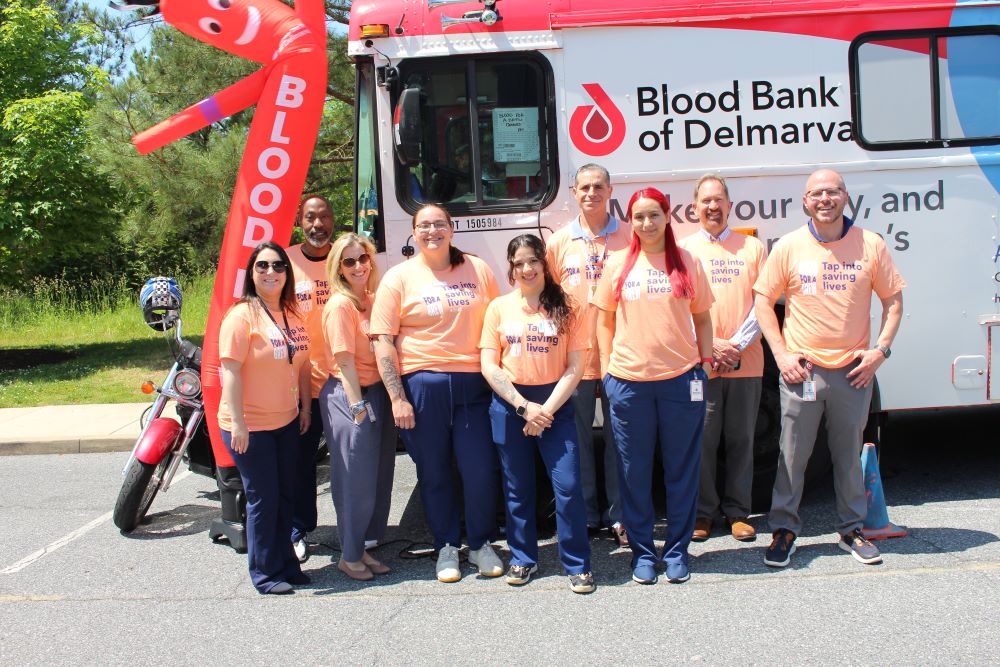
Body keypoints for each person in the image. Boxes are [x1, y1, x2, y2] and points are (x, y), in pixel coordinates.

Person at [754, 168, 906, 568]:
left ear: (845, 197)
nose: (825, 199)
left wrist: (880, 352)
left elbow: (893, 303)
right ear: (805, 201)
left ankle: (851, 530)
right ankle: (784, 530)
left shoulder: (870, 245)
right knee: (791, 455)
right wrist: (783, 356)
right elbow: (762, 304)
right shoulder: (788, 246)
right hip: (803, 371)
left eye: (833, 192)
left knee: (846, 453)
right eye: (816, 193)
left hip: (854, 371)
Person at [370, 203, 504, 583]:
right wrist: (397, 397)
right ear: (414, 232)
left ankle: (480, 544)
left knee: (479, 469)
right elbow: (382, 341)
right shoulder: (398, 278)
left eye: (439, 224)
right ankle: (446, 546)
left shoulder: (477, 268)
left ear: (451, 229)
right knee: (435, 472)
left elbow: (497, 323)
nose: (432, 231)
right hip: (422, 387)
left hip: (474, 386)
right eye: (424, 225)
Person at [593, 187, 715, 585]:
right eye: (639, 217)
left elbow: (703, 320)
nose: (647, 224)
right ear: (632, 221)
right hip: (629, 384)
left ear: (667, 217)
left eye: (654, 215)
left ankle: (677, 551)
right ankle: (643, 553)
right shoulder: (616, 264)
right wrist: (609, 373)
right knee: (633, 472)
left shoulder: (688, 262)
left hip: (681, 381)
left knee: (681, 470)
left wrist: (705, 363)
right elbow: (604, 322)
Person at [480, 234, 595, 594]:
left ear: (545, 264)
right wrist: (522, 406)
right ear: (511, 269)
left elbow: (576, 366)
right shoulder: (498, 307)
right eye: (519, 263)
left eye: (533, 261)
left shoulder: (569, 306)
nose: (527, 269)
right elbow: (488, 364)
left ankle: (577, 564)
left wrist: (544, 410)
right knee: (517, 488)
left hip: (554, 405)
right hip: (511, 403)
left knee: (569, 486)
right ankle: (522, 558)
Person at [545, 164, 632, 547]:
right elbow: (548, 299)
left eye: (599, 186)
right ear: (573, 192)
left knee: (621, 440)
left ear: (610, 189)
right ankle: (585, 513)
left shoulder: (631, 237)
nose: (592, 192)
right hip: (575, 359)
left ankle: (620, 516)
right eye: (585, 187)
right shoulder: (559, 242)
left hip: (621, 356)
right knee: (575, 441)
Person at [218, 241, 312, 595]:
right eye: (262, 266)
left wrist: (305, 407)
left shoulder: (294, 312)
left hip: (286, 421)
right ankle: (265, 573)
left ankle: (287, 564)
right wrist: (238, 423)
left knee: (286, 495)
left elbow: (302, 364)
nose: (270, 272)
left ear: (287, 273)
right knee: (264, 498)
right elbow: (230, 370)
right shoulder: (241, 315)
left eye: (277, 266)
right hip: (251, 427)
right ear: (251, 273)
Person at [679, 175, 767, 542]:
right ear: (694, 207)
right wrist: (712, 346)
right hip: (700, 363)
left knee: (742, 439)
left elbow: (764, 304)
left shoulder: (752, 248)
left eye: (719, 200)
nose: (712, 207)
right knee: (701, 441)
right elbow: (678, 307)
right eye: (705, 201)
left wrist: (735, 345)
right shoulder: (682, 251)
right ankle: (704, 513)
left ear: (730, 205)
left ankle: (738, 512)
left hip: (747, 362)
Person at [317, 233, 397, 581]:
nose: (358, 265)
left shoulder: (372, 299)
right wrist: (357, 407)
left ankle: (361, 547)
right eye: (348, 261)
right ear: (338, 267)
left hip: (377, 391)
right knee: (354, 480)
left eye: (362, 258)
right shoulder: (340, 305)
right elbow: (344, 362)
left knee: (377, 478)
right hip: (350, 395)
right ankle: (348, 556)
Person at [285, 194, 335, 563]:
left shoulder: (347, 259)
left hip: (343, 381)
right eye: (310, 218)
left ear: (333, 220)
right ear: (301, 222)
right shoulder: (285, 262)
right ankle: (297, 530)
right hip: (299, 385)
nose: (317, 224)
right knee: (299, 464)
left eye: (323, 217)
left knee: (348, 463)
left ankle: (357, 529)